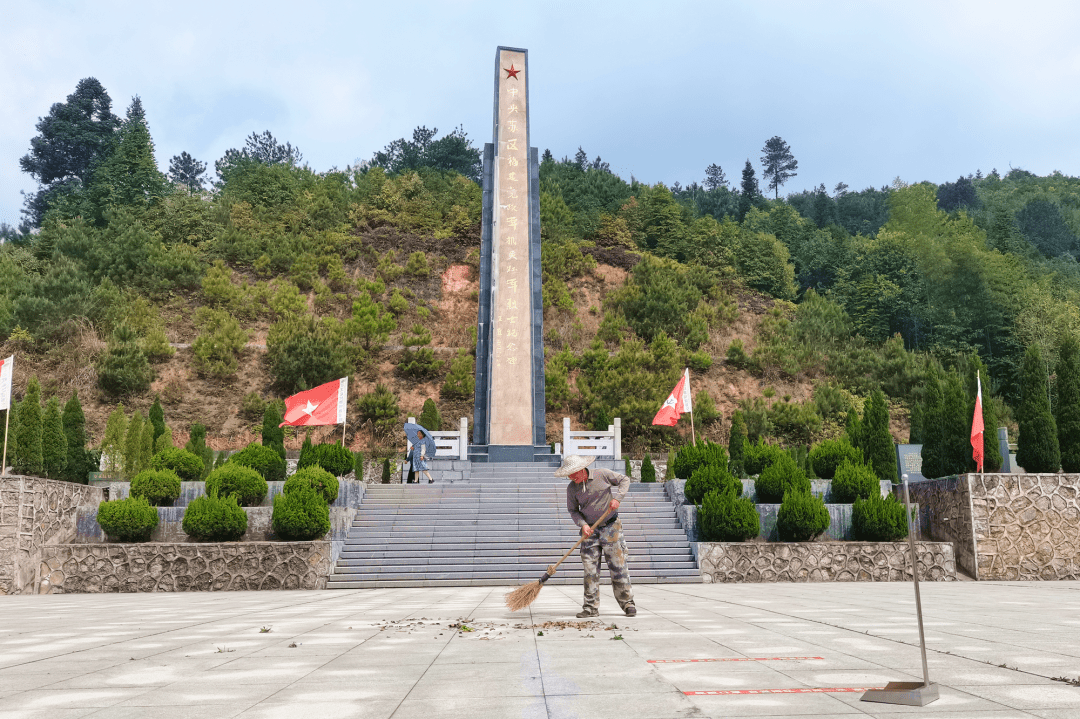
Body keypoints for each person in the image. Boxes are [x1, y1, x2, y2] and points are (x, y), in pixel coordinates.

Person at [555, 454, 637, 618]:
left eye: (573, 473)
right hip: (589, 533)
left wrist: (618, 498)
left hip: (611, 528)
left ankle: (627, 603)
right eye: (569, 475)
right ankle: (591, 607)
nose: (571, 477)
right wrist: (583, 524)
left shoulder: (602, 474)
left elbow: (624, 480)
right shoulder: (572, 489)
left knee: (618, 567)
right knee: (590, 571)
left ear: (581, 469)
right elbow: (573, 511)